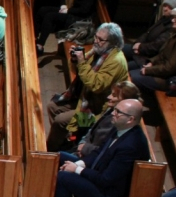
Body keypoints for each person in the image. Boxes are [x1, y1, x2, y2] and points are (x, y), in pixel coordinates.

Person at [49, 99, 149, 197]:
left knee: (63, 177)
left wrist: (77, 170)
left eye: (118, 112)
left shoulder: (131, 146)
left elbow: (106, 180)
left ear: (130, 119)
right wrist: (79, 164)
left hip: (109, 194)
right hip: (99, 174)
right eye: (115, 109)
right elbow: (99, 152)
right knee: (60, 157)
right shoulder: (120, 128)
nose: (113, 113)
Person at [46, 23, 129, 151]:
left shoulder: (116, 61)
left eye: (100, 39)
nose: (95, 41)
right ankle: (67, 141)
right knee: (52, 106)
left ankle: (51, 151)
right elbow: (80, 73)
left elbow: (96, 85)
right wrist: (75, 60)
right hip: (85, 98)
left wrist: (81, 62)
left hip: (97, 110)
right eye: (95, 37)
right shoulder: (99, 51)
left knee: (60, 120)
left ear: (112, 42)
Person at [58, 81, 141, 159]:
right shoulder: (111, 110)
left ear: (125, 101)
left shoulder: (120, 123)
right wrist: (82, 144)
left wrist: (85, 148)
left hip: (91, 158)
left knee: (56, 159)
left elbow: (106, 150)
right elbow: (92, 130)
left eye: (114, 95)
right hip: (82, 150)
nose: (109, 97)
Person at [129, 6, 176, 93]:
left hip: (168, 79)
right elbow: (162, 54)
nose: (172, 21)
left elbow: (170, 68)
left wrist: (149, 70)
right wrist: (152, 62)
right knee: (129, 72)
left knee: (131, 78)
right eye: (173, 18)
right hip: (160, 71)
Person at [123, 0, 176, 70]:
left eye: (170, 7)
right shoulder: (163, 19)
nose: (165, 8)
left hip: (147, 56)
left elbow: (157, 46)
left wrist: (140, 47)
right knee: (117, 48)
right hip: (141, 48)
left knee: (123, 67)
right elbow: (147, 33)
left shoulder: (172, 27)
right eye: (165, 5)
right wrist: (137, 44)